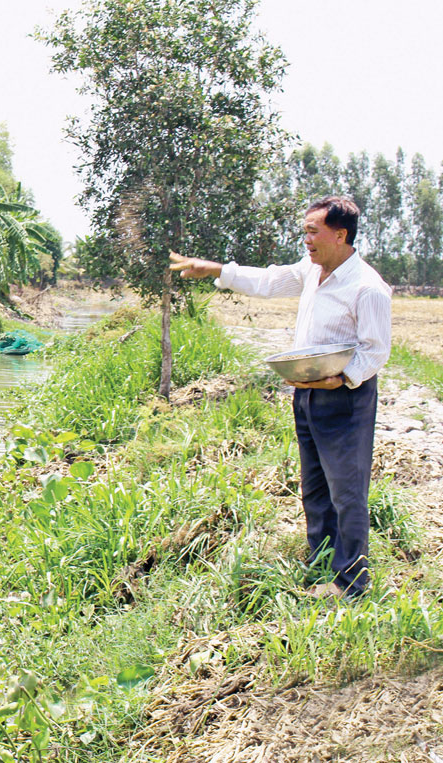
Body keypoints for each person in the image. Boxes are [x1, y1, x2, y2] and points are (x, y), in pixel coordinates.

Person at [169, 196, 391, 598]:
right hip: (307, 392)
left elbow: (375, 351)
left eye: (312, 231)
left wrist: (341, 380)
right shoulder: (313, 269)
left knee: (347, 490)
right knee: (315, 486)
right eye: (304, 230)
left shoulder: (367, 287)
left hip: (345, 396)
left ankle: (352, 582)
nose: (305, 239)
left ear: (340, 235)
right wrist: (217, 270)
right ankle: (323, 561)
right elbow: (270, 281)